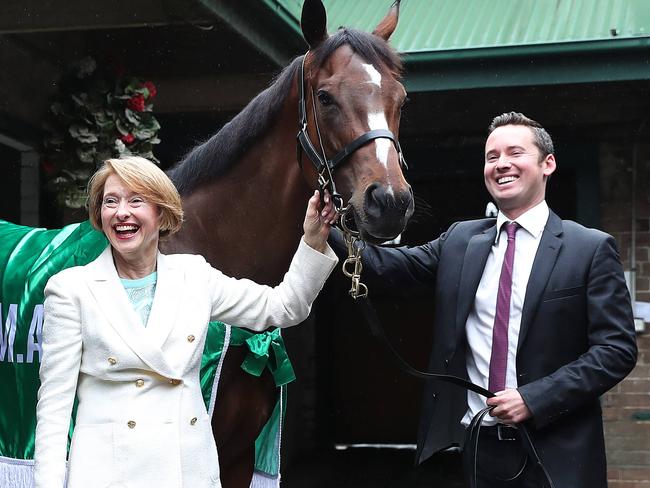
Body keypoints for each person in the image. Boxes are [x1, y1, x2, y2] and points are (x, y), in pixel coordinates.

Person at [334, 112, 637, 487]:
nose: (501, 164)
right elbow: (384, 266)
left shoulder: (589, 248)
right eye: (491, 156)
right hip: (481, 450)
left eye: (514, 153)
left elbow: (616, 350)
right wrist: (330, 227)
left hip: (561, 453)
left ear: (548, 164)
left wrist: (534, 398)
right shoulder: (461, 240)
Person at [34, 156, 339, 488]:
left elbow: (284, 307)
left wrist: (312, 239)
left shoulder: (194, 276)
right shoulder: (70, 289)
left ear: (161, 213)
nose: (121, 212)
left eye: (136, 200)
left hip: (188, 473)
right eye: (111, 202)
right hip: (109, 477)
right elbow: (54, 411)